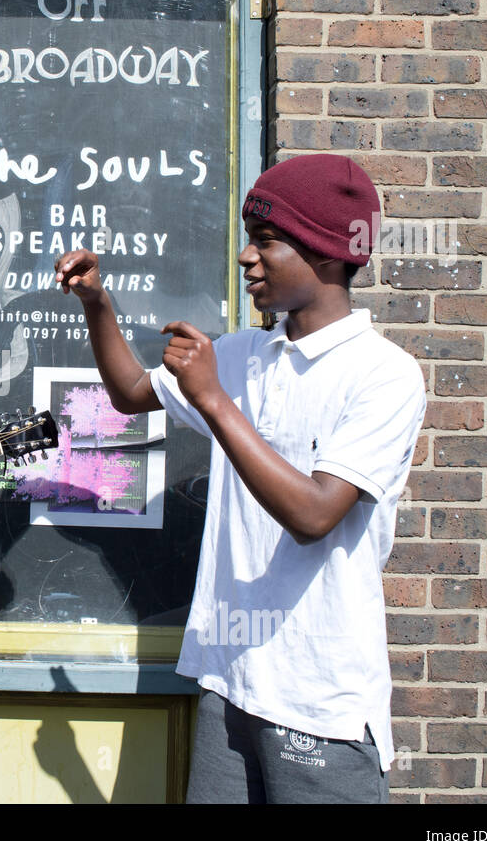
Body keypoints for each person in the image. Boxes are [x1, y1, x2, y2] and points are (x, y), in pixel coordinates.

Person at [55, 154, 425, 803]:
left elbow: (315, 515)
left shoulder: (383, 374)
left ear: (330, 253)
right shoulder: (244, 355)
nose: (246, 258)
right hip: (230, 685)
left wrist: (215, 401)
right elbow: (131, 391)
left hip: (322, 705)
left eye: (267, 241)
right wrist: (97, 304)